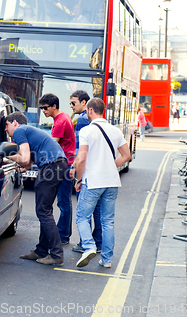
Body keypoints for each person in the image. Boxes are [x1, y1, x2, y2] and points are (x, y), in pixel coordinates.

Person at [73, 98, 131, 268]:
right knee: (108, 221)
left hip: (93, 181)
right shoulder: (115, 131)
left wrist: (78, 179)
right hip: (112, 181)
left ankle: (89, 246)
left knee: (82, 216)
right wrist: (111, 166)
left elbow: (81, 158)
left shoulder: (86, 131)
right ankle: (106, 260)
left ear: (90, 110)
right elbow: (126, 155)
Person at [5, 111, 67, 265]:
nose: (5, 129)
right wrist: (21, 165)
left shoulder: (19, 131)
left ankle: (57, 254)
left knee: (43, 211)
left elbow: (24, 158)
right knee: (45, 210)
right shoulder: (28, 131)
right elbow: (28, 162)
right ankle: (41, 250)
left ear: (14, 123)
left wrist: (5, 154)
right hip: (57, 165)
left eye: (6, 125)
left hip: (51, 166)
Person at [39, 93, 76, 245]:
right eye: (41, 108)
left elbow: (51, 146)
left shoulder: (60, 122)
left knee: (63, 202)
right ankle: (64, 233)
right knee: (64, 201)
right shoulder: (63, 117)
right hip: (67, 162)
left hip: (65, 165)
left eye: (45, 108)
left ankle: (63, 236)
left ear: (54, 106)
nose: (43, 111)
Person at [69, 90, 102, 254]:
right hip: (98, 171)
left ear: (84, 103)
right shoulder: (90, 120)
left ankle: (85, 243)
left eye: (73, 103)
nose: (71, 106)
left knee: (84, 209)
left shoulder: (82, 120)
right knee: (98, 210)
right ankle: (98, 242)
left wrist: (75, 168)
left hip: (87, 169)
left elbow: (79, 149)